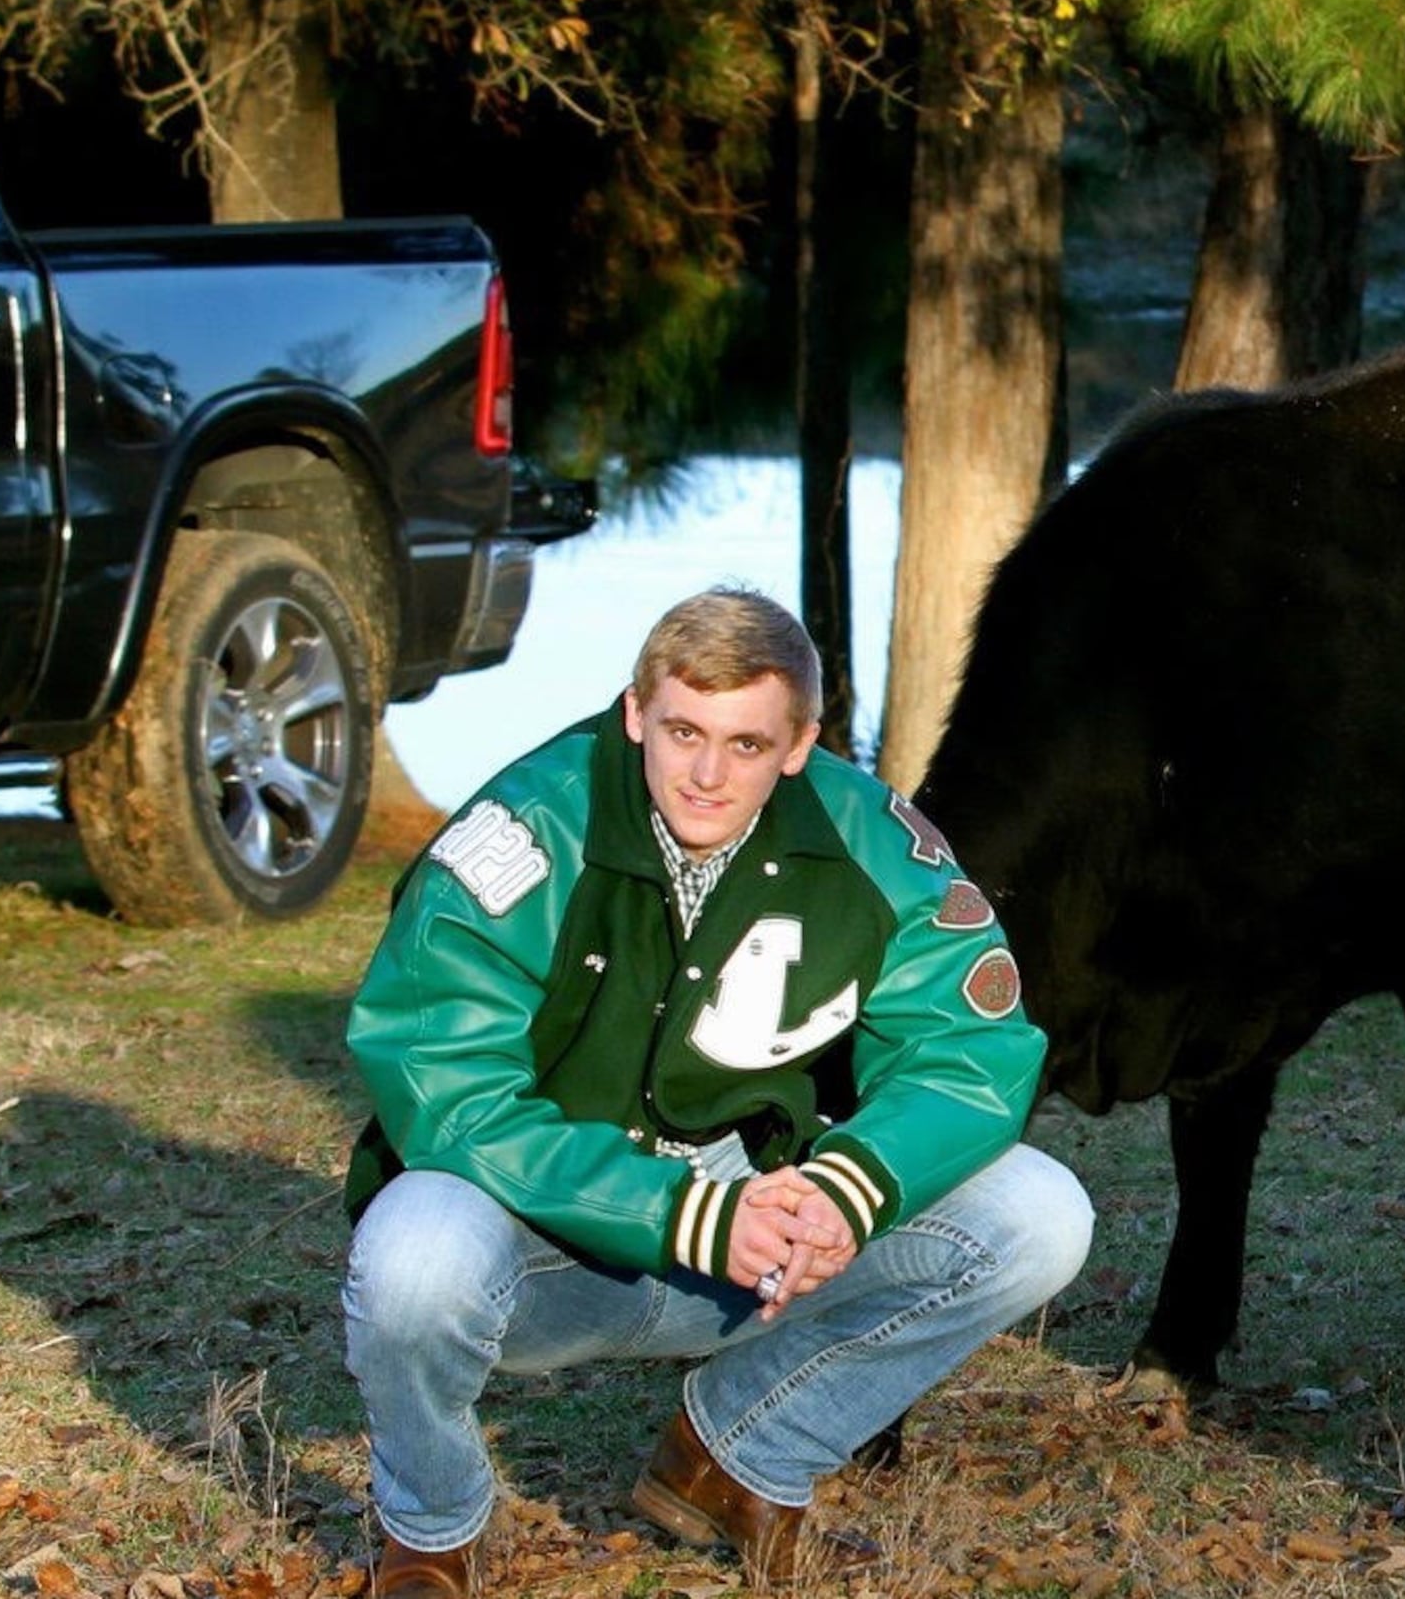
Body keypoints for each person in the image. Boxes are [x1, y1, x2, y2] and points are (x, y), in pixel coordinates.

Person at [339, 586, 1091, 1596]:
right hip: (544, 1243)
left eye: (744, 745)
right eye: (683, 730)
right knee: (412, 1253)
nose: (705, 773)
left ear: (798, 745)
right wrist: (680, 1215)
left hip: (764, 1232)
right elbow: (446, 1081)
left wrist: (844, 1187)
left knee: (1038, 1214)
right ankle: (430, 1533)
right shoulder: (526, 828)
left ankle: (735, 1455)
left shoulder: (871, 839)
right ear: (635, 712)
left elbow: (969, 1047)